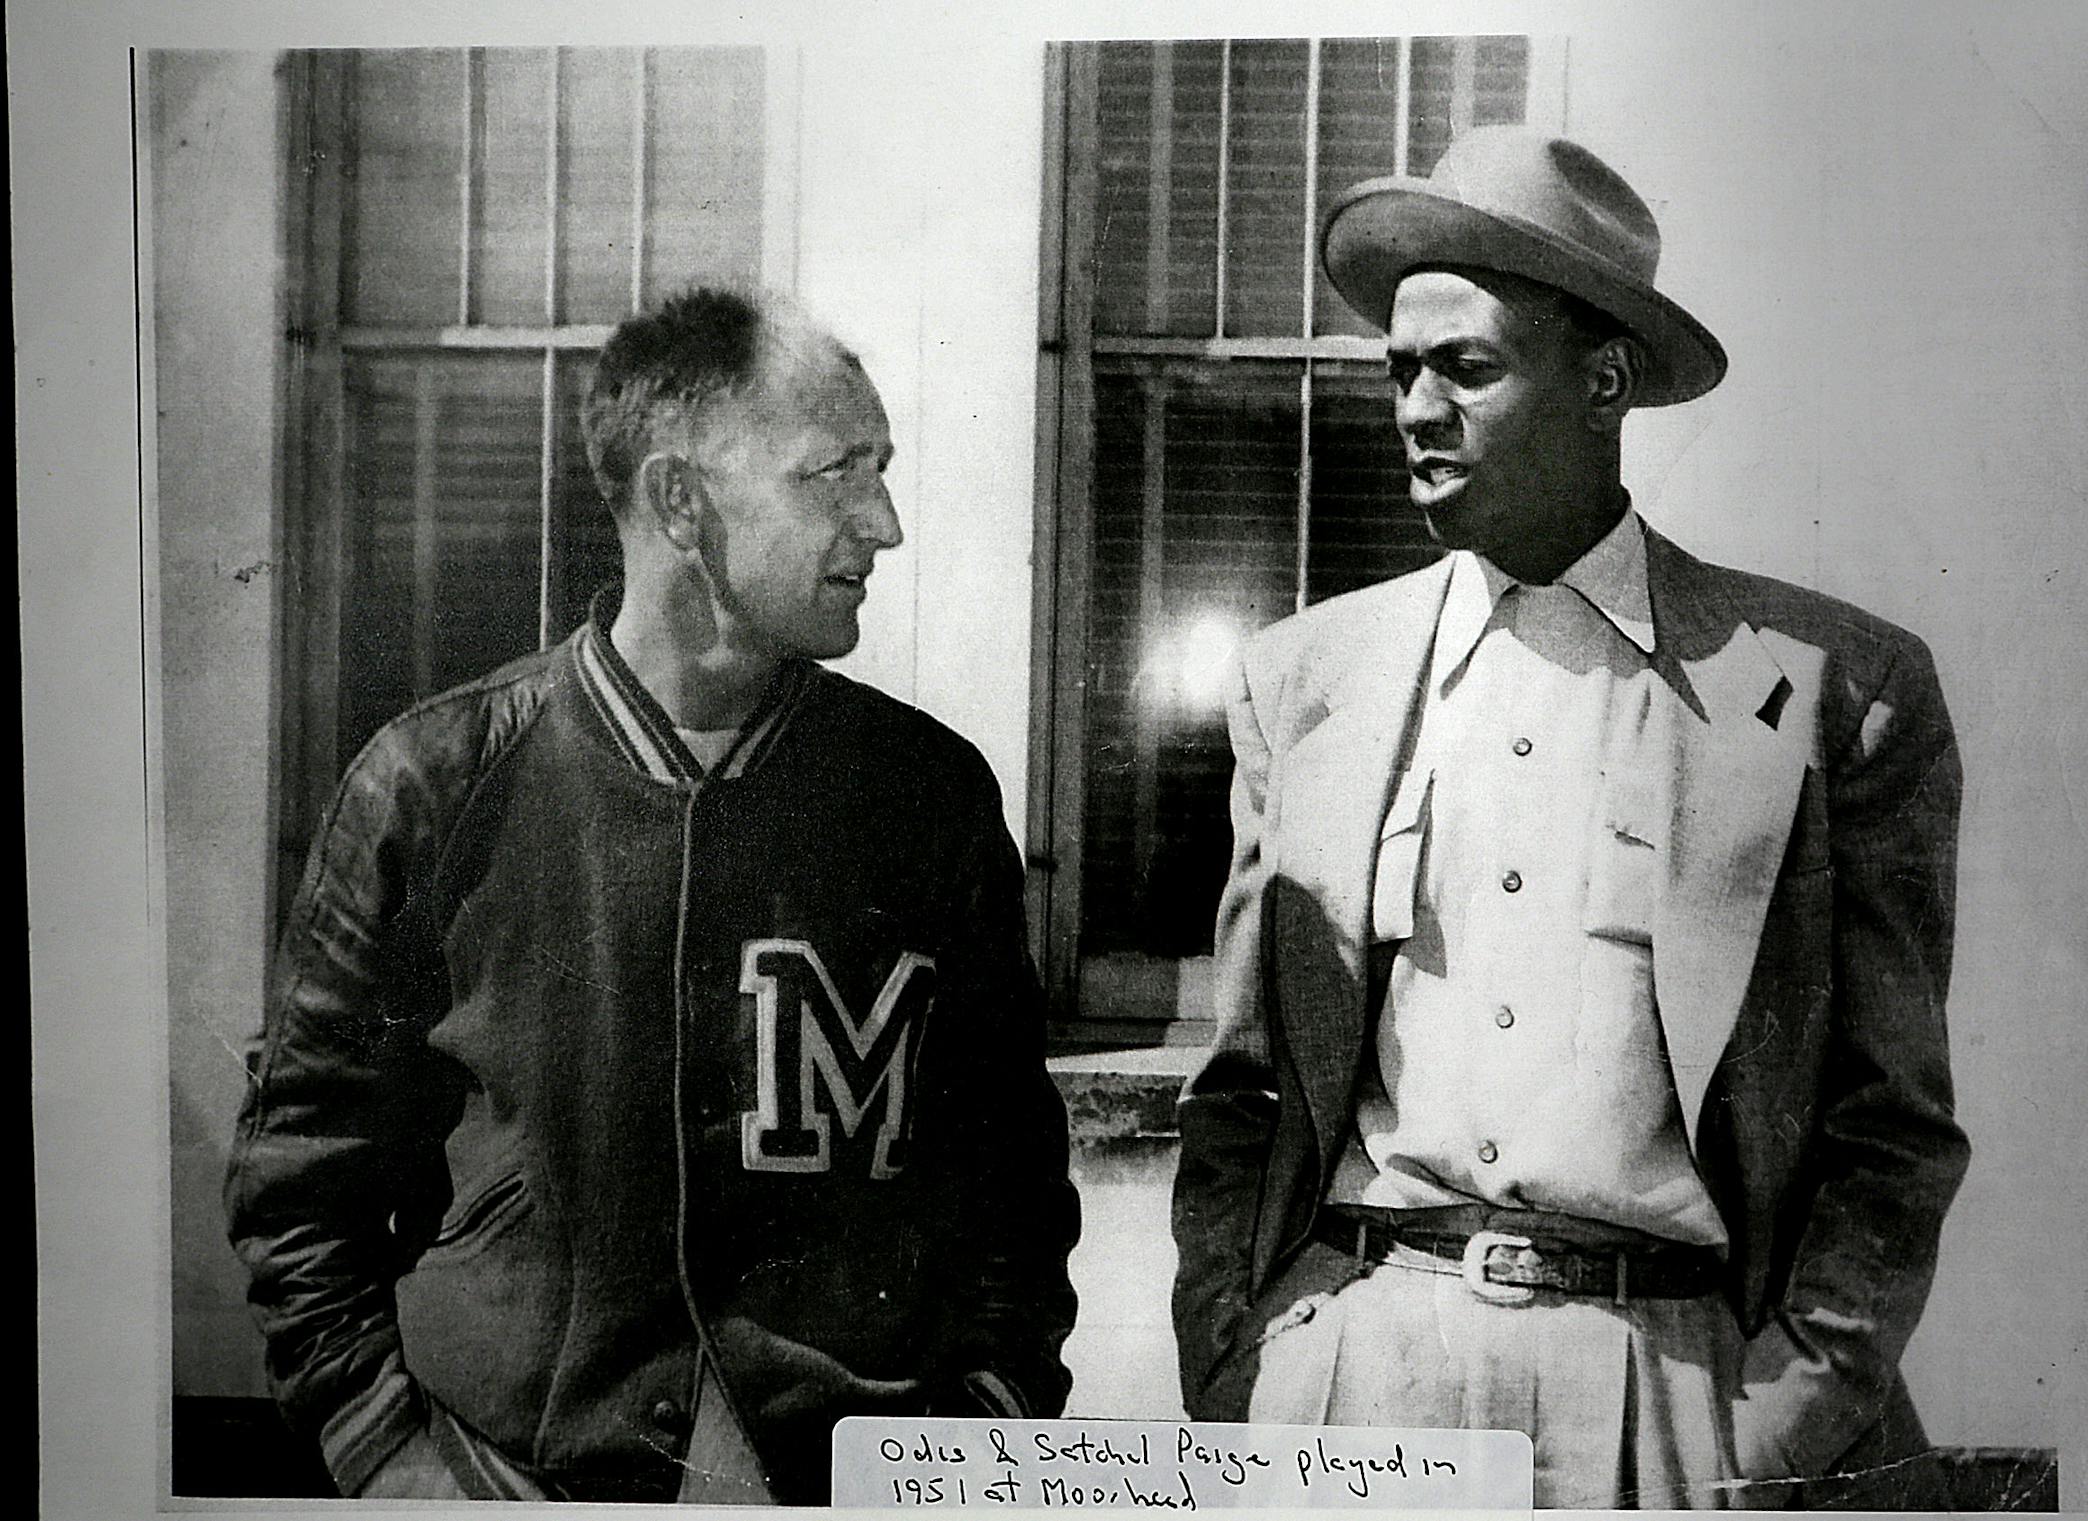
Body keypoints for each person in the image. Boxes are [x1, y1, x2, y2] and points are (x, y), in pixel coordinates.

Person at [1169, 127, 1968, 1511]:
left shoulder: (1835, 690)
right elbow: (1242, 1091)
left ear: (1604, 381)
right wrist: (1242, 1357)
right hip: (1359, 1370)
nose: (1416, 408)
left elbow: (1890, 1127)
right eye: (1400, 370)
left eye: (1466, 368)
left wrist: (1782, 1415)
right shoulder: (1303, 684)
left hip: (1668, 1388)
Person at [226, 285, 1080, 1505]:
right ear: (683, 501)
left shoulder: (926, 796)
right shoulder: (434, 782)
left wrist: (981, 1436)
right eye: (833, 473)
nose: (883, 523)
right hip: (504, 1473)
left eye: (880, 471)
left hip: (855, 1485)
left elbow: (1010, 1186)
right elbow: (300, 1177)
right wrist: (392, 1463)